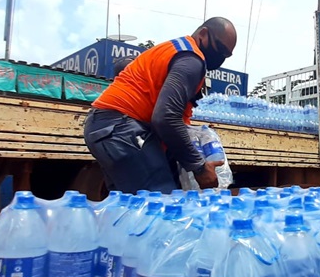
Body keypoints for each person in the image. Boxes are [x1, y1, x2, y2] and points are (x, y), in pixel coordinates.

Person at [83, 17, 236, 194]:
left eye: (227, 55)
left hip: (107, 127)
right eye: (220, 49)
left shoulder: (175, 49)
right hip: (121, 128)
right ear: (203, 34)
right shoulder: (192, 60)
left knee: (131, 207)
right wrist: (199, 167)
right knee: (161, 204)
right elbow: (165, 117)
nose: (221, 58)